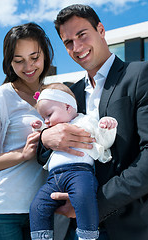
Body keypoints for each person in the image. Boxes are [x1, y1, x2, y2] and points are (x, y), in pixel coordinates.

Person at [37, 4, 148, 240]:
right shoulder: (69, 95)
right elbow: (44, 150)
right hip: (73, 228)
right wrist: (45, 137)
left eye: (82, 35)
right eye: (68, 42)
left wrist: (92, 204)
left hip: (136, 225)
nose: (77, 47)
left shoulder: (142, 75)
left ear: (101, 30)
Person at [0, 22, 54, 240]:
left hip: (42, 211)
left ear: (45, 54)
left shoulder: (54, 94)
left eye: (34, 57)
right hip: (3, 215)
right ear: (9, 62)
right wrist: (23, 154)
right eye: (19, 60)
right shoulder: (0, 98)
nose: (28, 66)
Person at [29, 83, 118, 240]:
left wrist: (107, 128)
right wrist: (39, 129)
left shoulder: (85, 122)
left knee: (84, 198)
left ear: (68, 107)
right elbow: (43, 144)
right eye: (43, 118)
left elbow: (103, 142)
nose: (47, 121)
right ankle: (41, 236)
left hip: (79, 173)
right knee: (37, 206)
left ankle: (87, 235)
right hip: (53, 178)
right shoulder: (51, 129)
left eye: (49, 115)